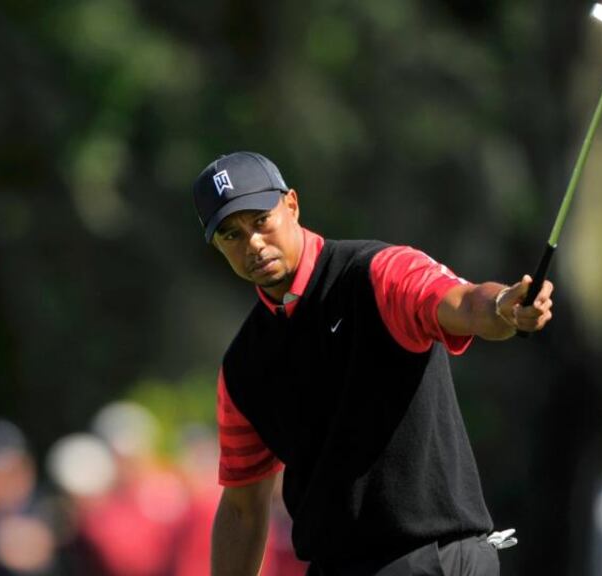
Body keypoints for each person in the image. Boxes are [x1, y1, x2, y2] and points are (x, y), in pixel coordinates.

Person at [193, 151, 555, 576]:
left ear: (291, 204)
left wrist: (503, 306)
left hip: (436, 560)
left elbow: (465, 303)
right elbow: (242, 509)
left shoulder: (378, 274)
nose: (253, 243)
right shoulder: (243, 366)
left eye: (261, 220)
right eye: (232, 235)